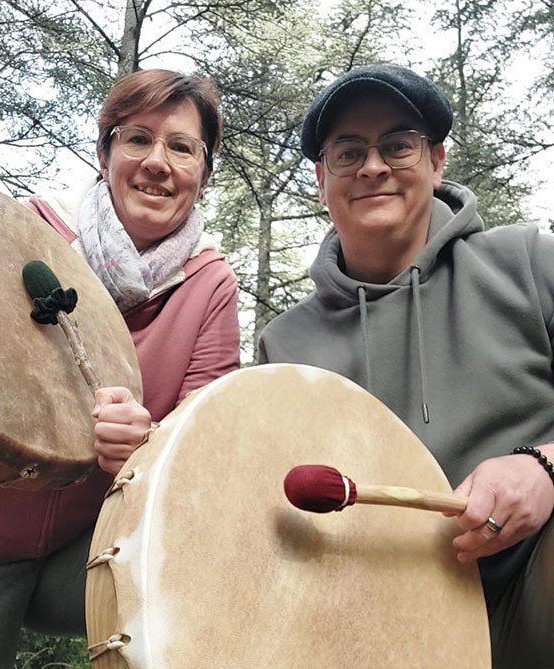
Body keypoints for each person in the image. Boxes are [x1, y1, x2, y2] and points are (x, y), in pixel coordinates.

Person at [258, 63, 554, 669]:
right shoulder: (281, 348)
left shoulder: (527, 261)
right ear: (322, 179)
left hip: (535, 588)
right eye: (349, 152)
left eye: (397, 145)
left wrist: (546, 468)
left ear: (436, 162)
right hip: (373, 623)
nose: (373, 167)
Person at [0, 69, 240, 668]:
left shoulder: (209, 284)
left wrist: (150, 446)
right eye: (138, 138)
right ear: (105, 151)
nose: (157, 162)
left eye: (182, 147)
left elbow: (205, 445)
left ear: (203, 172)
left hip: (87, 554)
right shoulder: (23, 231)